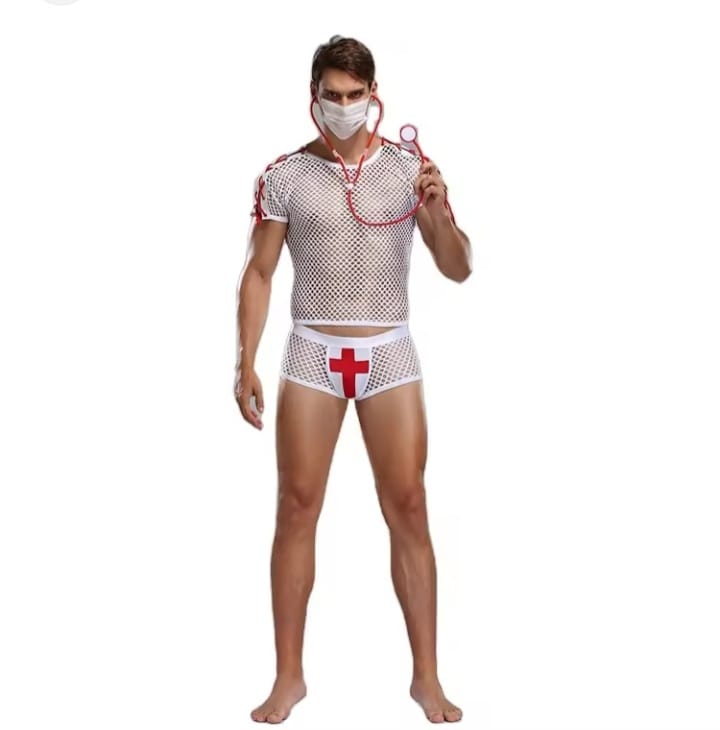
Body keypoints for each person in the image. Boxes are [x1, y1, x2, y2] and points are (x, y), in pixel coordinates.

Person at [234, 35, 472, 724]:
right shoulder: (284, 175)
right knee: (296, 506)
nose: (344, 106)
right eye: (332, 96)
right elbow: (259, 272)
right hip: (312, 350)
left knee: (409, 506)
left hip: (387, 352)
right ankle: (288, 677)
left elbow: (458, 267)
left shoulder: (408, 169)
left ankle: (426, 677)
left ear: (373, 95)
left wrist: (439, 209)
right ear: (314, 98)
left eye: (354, 95)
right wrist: (244, 358)